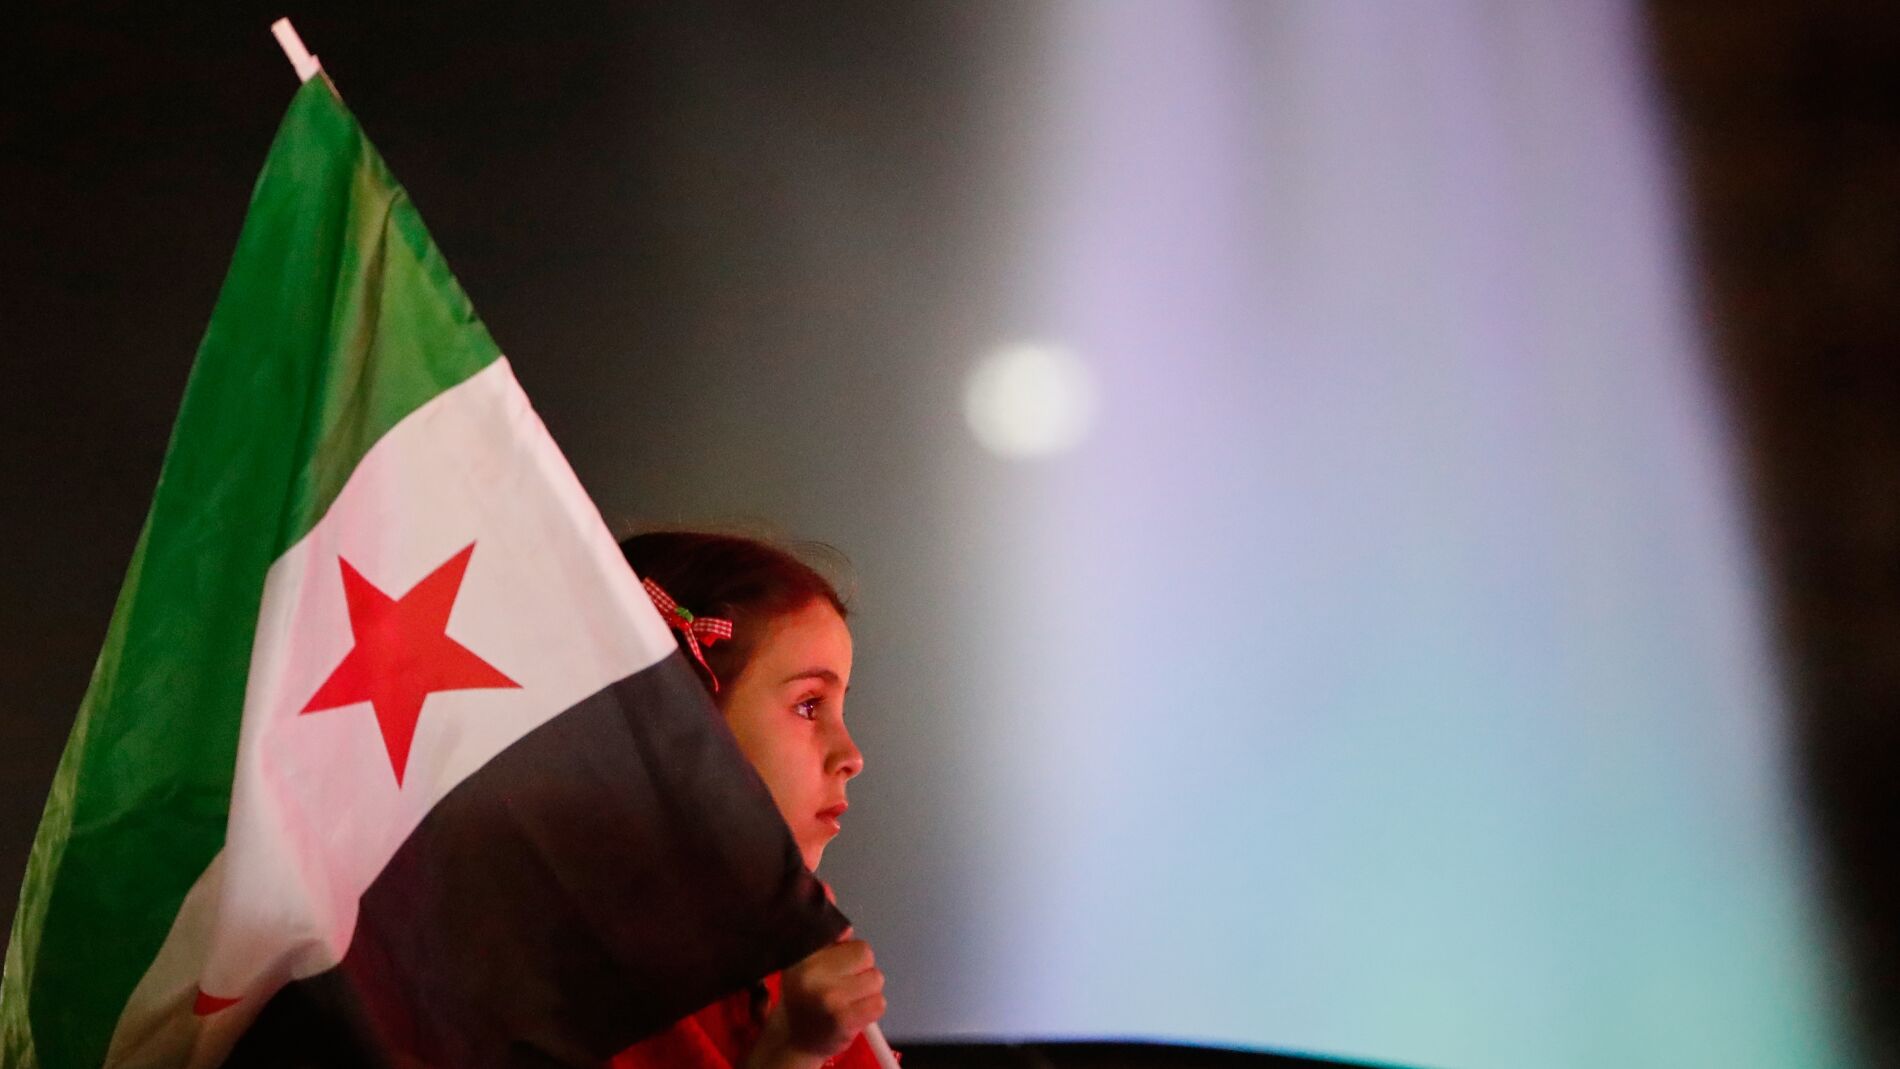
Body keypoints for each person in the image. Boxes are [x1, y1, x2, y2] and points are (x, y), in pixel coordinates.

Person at [609, 531, 889, 1069]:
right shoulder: (582, 988)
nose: (852, 756)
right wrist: (793, 1050)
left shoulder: (792, 944)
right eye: (809, 705)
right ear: (683, 726)